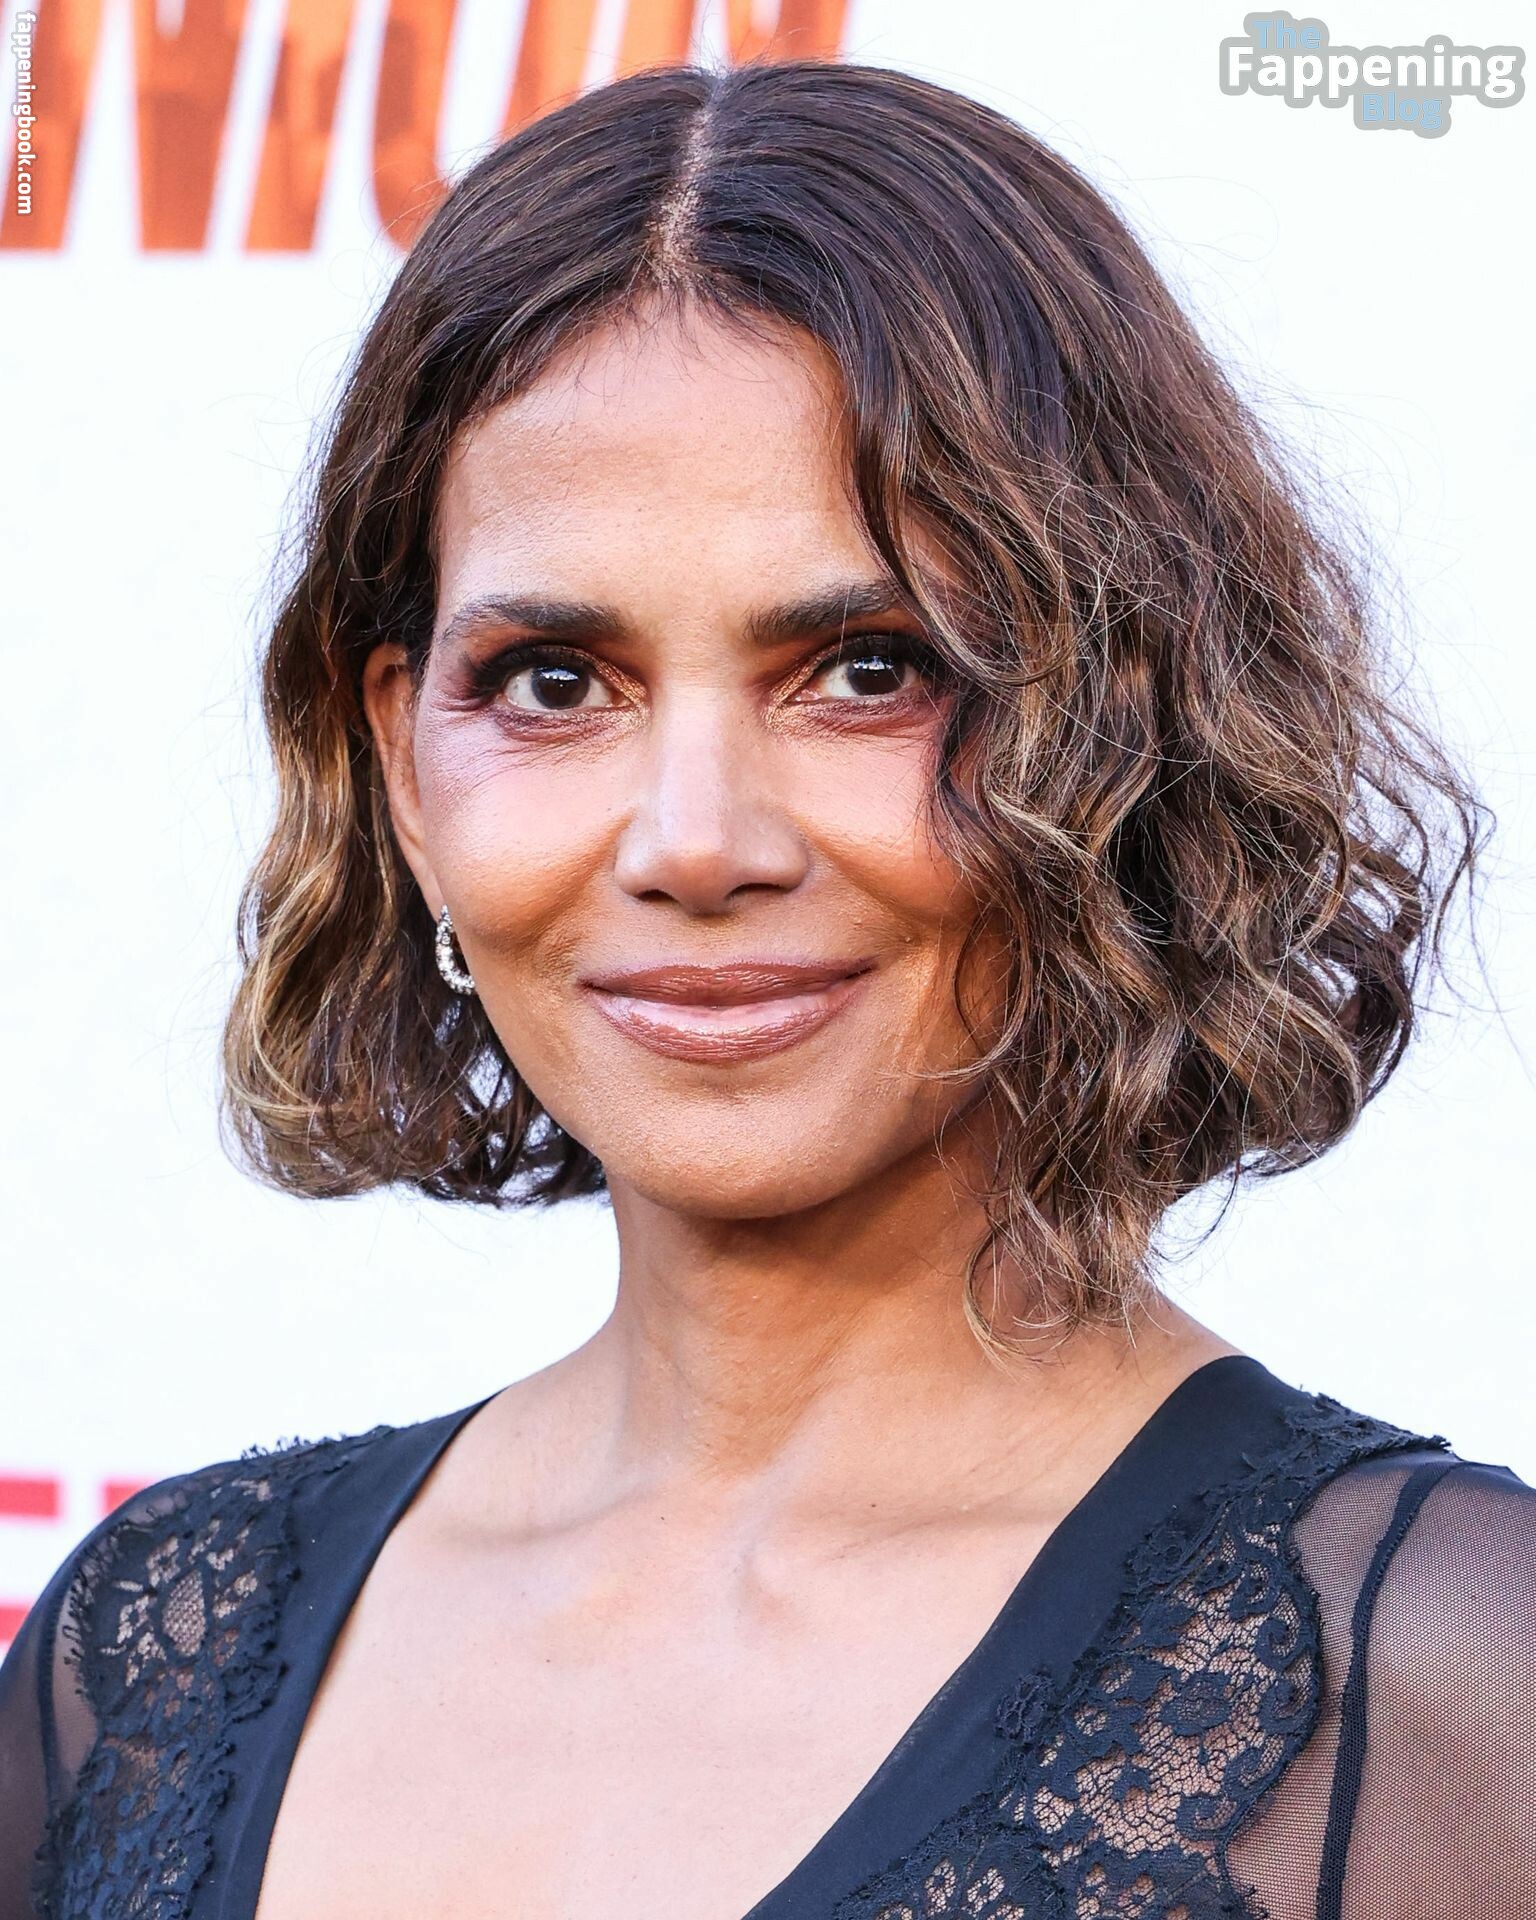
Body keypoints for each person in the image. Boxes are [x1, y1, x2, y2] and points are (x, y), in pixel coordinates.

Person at [1, 54, 1531, 1920]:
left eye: (871, 668)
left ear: (1127, 718)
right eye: (555, 683)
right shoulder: (146, 1657)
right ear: (402, 762)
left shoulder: (1443, 1677)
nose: (695, 841)